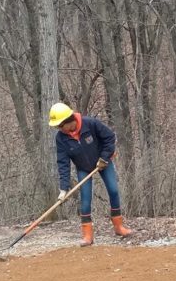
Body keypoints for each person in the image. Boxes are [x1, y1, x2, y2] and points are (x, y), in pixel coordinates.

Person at [48, 102, 133, 247]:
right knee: (85, 200)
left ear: (69, 121)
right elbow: (63, 163)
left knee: (113, 190)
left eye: (60, 126)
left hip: (103, 162)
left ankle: (119, 227)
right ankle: (87, 236)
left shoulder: (90, 124)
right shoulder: (61, 138)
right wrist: (63, 188)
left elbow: (110, 138)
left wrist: (104, 158)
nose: (59, 129)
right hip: (83, 168)